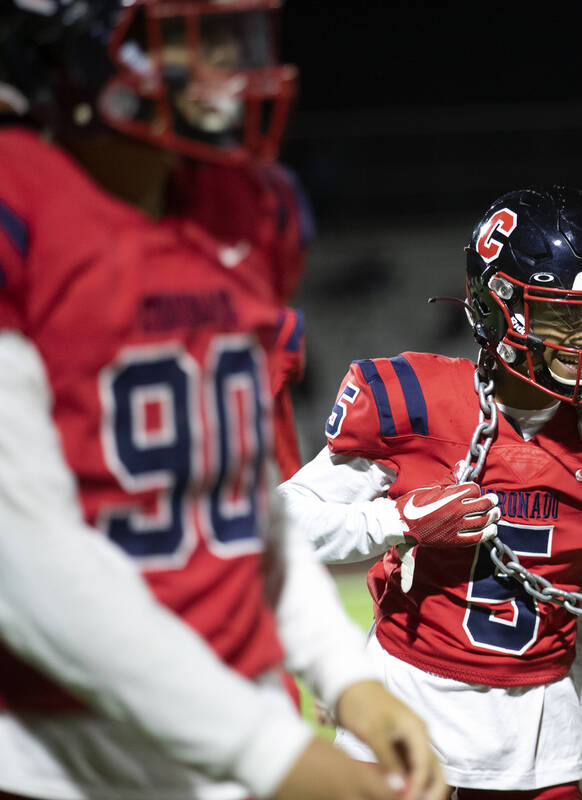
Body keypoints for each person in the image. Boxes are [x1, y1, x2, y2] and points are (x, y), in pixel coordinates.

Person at [0, 2, 445, 799]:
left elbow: (240, 505)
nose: (223, 61)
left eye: (226, 32)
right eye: (184, 34)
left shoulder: (246, 209)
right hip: (64, 761)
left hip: (229, 737)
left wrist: (346, 676)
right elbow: (21, 559)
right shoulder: (18, 206)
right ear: (77, 43)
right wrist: (272, 754)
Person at [278, 186, 582, 799]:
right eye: (560, 314)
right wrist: (396, 520)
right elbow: (276, 523)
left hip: (546, 743)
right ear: (499, 309)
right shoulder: (416, 400)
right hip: (413, 712)